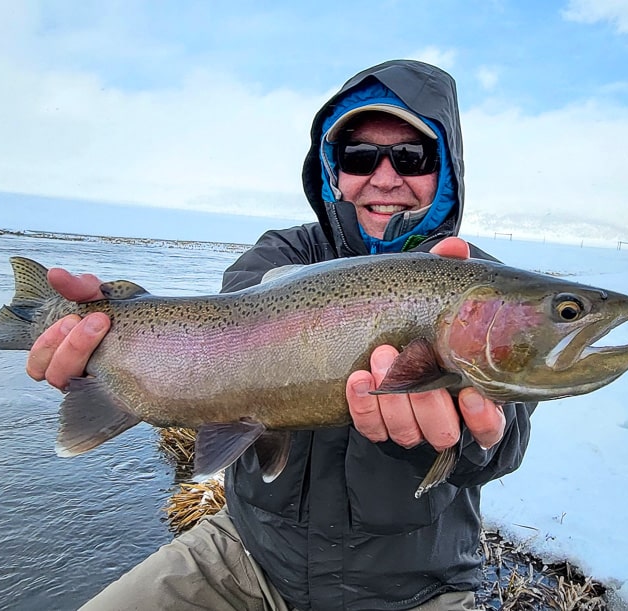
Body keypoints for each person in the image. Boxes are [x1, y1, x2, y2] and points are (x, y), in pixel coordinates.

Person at [26, 60, 536, 611]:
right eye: (360, 157)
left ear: (447, 170)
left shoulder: (480, 285)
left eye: (413, 157)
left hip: (413, 588)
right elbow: (228, 336)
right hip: (246, 557)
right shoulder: (281, 257)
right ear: (332, 170)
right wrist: (113, 334)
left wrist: (465, 439)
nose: (384, 178)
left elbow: (504, 446)